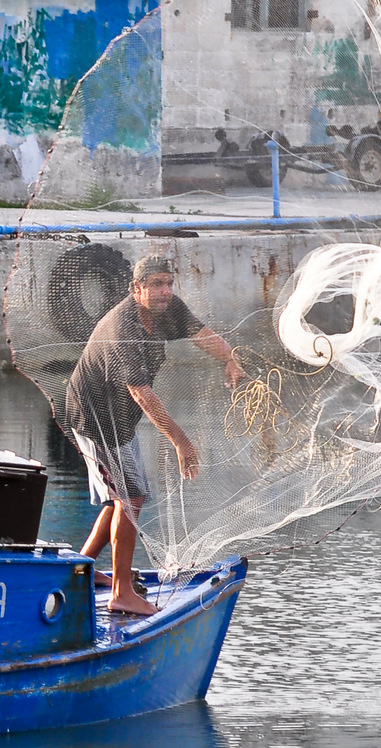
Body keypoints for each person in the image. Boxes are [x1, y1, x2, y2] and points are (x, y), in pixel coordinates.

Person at [64, 254, 245, 616]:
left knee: (125, 497)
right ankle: (121, 591)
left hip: (121, 418)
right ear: (137, 289)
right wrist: (181, 441)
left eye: (168, 283)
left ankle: (78, 569)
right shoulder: (125, 329)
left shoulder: (168, 309)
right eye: (156, 285)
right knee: (130, 498)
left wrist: (229, 357)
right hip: (96, 418)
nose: (164, 291)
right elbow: (142, 393)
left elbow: (200, 333)